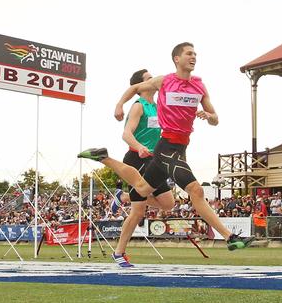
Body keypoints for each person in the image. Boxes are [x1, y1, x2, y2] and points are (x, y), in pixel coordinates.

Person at [78, 42, 254, 252]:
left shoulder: (199, 85)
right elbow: (135, 88)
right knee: (196, 190)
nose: (194, 57)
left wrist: (209, 117)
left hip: (180, 148)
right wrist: (119, 105)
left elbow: (215, 118)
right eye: (189, 53)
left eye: (195, 54)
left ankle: (104, 157)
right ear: (176, 59)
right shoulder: (164, 81)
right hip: (166, 147)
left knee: (142, 189)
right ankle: (229, 237)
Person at [109, 69, 176, 267]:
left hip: (155, 160)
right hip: (136, 159)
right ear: (141, 86)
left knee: (168, 203)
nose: (154, 80)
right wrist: (140, 147)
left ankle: (123, 197)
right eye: (149, 78)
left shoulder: (158, 107)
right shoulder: (138, 106)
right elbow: (126, 134)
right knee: (138, 212)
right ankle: (119, 253)